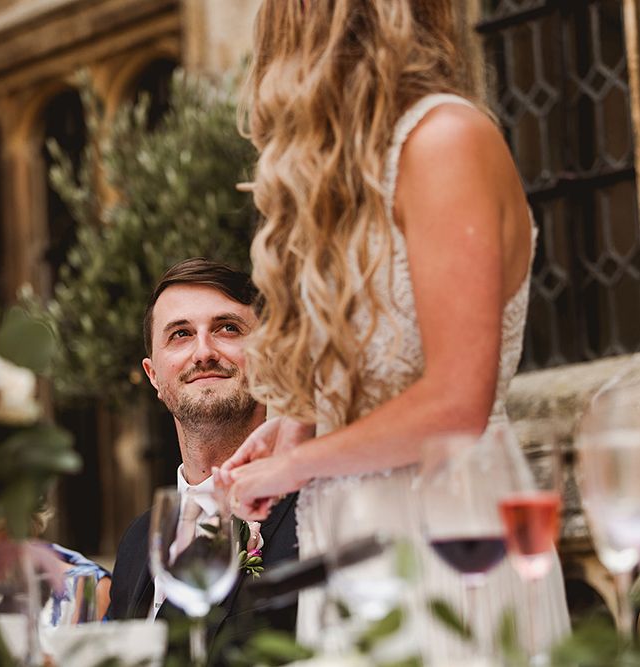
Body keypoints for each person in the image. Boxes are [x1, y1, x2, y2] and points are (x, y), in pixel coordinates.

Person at [215, 0, 570, 659]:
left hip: (453, 533)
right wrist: (298, 422)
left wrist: (296, 466)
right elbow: (374, 381)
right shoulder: (343, 174)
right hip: (350, 541)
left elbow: (456, 404)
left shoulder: (443, 140)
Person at [108, 258, 298, 646]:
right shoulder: (136, 542)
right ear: (153, 376)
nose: (204, 352)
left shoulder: (312, 514)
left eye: (227, 328)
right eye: (180, 334)